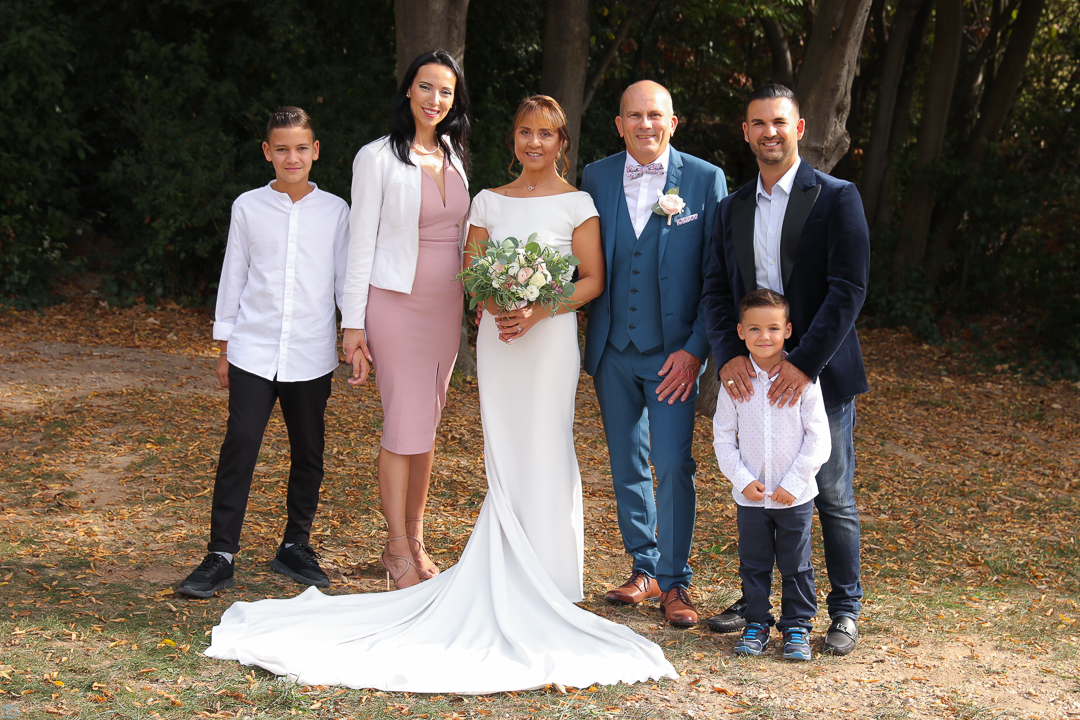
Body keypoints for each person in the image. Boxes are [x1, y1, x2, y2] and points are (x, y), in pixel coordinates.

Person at [203, 95, 677, 692]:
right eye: (524, 132)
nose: (534, 143)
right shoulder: (488, 200)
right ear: (513, 139)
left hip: (550, 339)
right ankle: (488, 560)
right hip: (501, 340)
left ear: (562, 142)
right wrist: (498, 301)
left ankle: (555, 578)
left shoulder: (578, 203)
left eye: (546, 134)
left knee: (551, 445)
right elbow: (473, 272)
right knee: (504, 450)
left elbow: (593, 279)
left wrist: (538, 308)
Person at [701, 83, 870, 656]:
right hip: (749, 378)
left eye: (779, 122)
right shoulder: (731, 208)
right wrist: (727, 355)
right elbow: (716, 290)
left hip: (819, 372)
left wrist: (803, 364)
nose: (768, 132)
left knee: (831, 494)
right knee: (757, 487)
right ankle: (758, 605)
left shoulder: (837, 197)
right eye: (758, 123)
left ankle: (844, 610)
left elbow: (848, 289)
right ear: (746, 133)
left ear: (798, 129)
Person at [176, 107, 349, 598]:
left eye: (301, 148)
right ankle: (220, 555)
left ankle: (295, 545)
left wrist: (355, 333)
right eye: (282, 149)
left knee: (309, 450)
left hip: (311, 351)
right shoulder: (248, 207)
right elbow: (234, 274)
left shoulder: (336, 211)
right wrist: (224, 345)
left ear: (315, 151)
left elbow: (345, 280)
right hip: (253, 349)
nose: (292, 157)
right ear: (267, 152)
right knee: (241, 443)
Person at [579, 80, 727, 627]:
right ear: (619, 124)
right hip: (613, 349)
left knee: (672, 464)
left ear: (673, 122)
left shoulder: (706, 180)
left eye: (655, 115)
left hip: (673, 356)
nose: (645, 124)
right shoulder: (595, 177)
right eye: (634, 116)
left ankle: (675, 580)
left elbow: (718, 276)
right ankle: (643, 567)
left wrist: (695, 351)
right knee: (625, 463)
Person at [341, 50, 471, 589]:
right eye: (426, 87)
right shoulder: (375, 158)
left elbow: (463, 234)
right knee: (401, 424)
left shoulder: (454, 154)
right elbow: (360, 243)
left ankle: (416, 539)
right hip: (394, 303)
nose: (435, 99)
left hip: (446, 307)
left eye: (445, 91)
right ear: (408, 91)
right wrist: (352, 325)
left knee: (426, 425)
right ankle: (395, 549)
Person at [713, 289, 830, 661]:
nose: (764, 336)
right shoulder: (734, 382)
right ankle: (756, 624)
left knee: (796, 564)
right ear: (740, 331)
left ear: (788, 330)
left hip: (795, 496)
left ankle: (797, 627)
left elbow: (818, 438)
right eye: (755, 328)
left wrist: (793, 483)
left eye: (773, 328)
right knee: (754, 563)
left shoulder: (803, 380)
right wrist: (742, 479)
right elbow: (722, 436)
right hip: (751, 497)